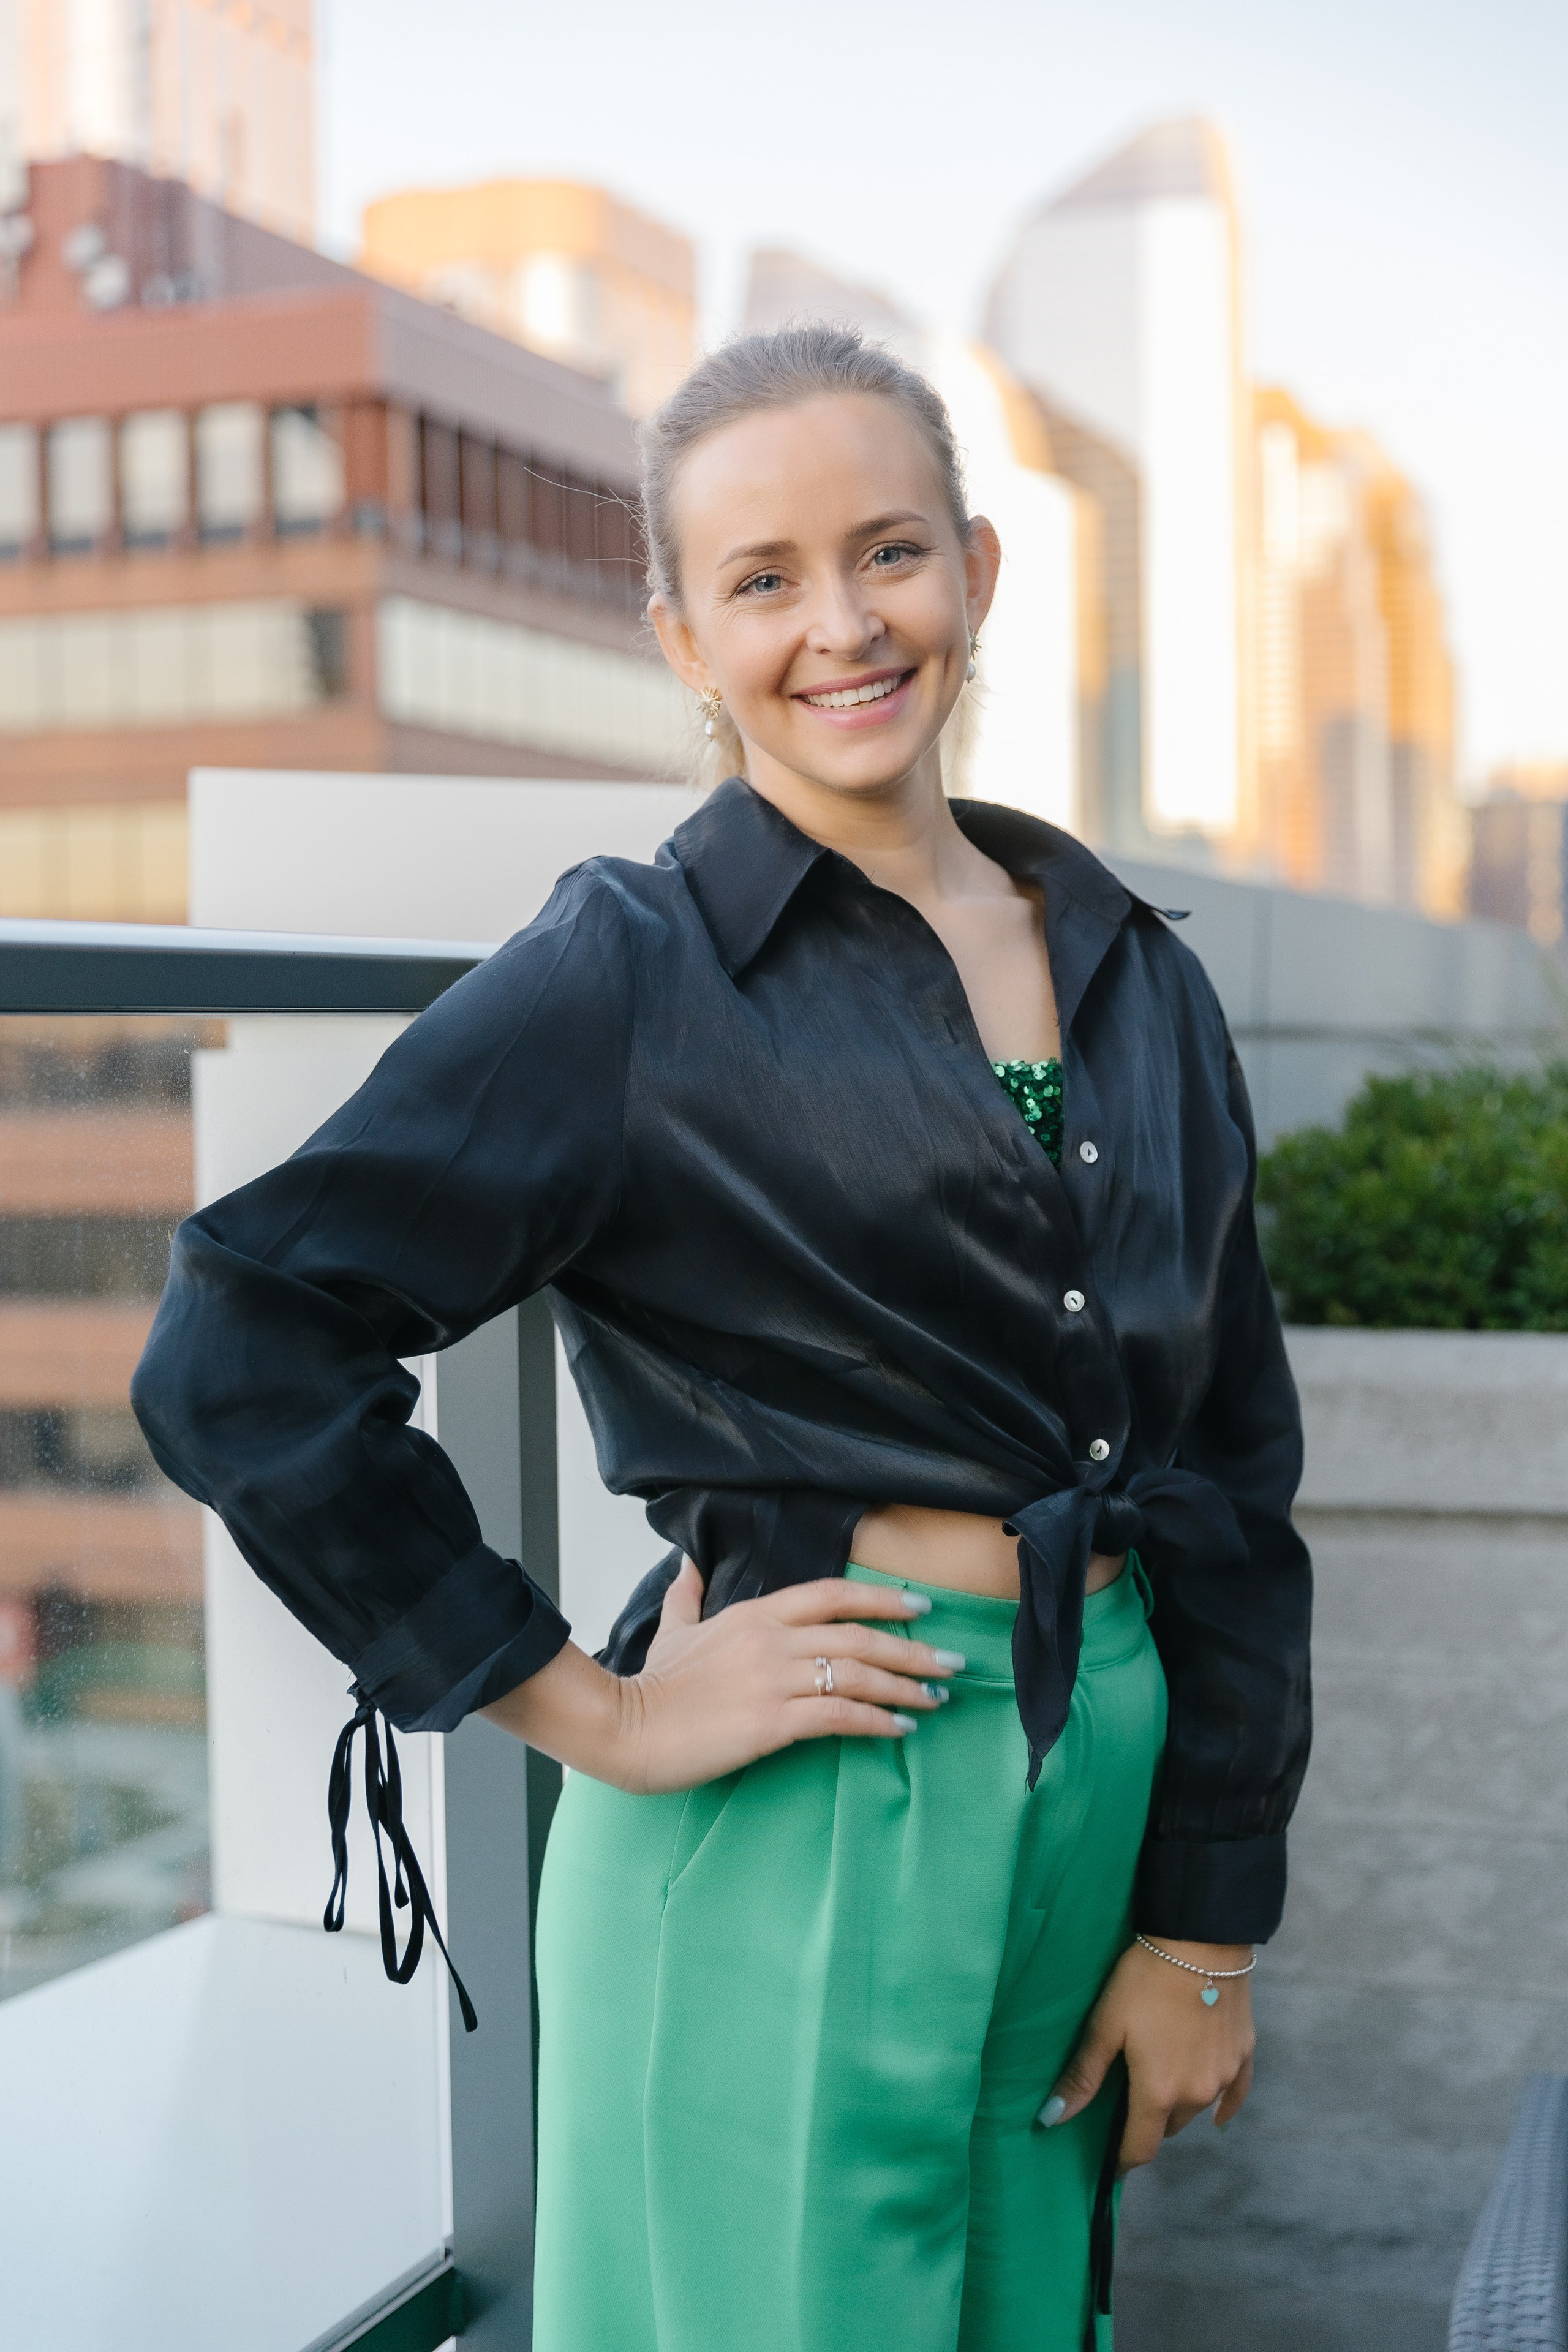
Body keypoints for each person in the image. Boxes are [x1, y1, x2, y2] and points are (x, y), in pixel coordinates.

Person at [131, 324, 1311, 2352]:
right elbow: (242, 1337)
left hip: (1089, 1770)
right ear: (682, 638)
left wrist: (1208, 1919)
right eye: (762, 582)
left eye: (889, 555)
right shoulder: (630, 968)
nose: (840, 628)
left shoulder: (1130, 967)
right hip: (797, 1793)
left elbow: (1233, 1461)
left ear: (981, 573)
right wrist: (594, 1714)